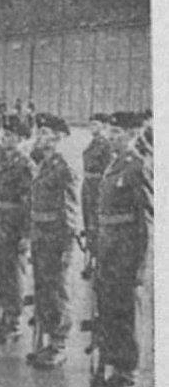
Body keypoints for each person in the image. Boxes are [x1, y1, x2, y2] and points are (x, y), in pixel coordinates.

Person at [93, 112, 152, 387]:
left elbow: (147, 220)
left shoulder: (137, 167)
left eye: (117, 133)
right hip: (109, 251)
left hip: (126, 254)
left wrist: (140, 265)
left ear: (131, 134)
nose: (111, 137)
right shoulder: (113, 165)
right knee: (111, 310)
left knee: (127, 313)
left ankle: (128, 374)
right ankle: (116, 367)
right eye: (111, 132)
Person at [27, 114, 79, 368]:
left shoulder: (64, 165)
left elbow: (69, 208)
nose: (40, 136)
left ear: (58, 136)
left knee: (58, 290)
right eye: (40, 132)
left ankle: (59, 345)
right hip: (41, 235)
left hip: (57, 237)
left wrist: (67, 245)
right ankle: (48, 341)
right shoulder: (47, 163)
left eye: (45, 132)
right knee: (44, 289)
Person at [0, 117, 35, 343]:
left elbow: (29, 201)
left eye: (10, 136)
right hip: (3, 220)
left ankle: (14, 322)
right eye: (5, 135)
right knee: (3, 271)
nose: (5, 139)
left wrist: (26, 233)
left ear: (20, 139)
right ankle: (5, 318)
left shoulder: (24, 164)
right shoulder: (5, 161)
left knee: (15, 273)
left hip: (15, 223)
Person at [80, 114, 112, 279]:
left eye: (96, 124)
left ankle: (96, 263)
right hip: (88, 186)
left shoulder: (105, 145)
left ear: (104, 126)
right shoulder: (93, 143)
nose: (92, 127)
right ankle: (90, 260)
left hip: (97, 187)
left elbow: (107, 170)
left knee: (96, 224)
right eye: (90, 124)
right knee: (89, 224)